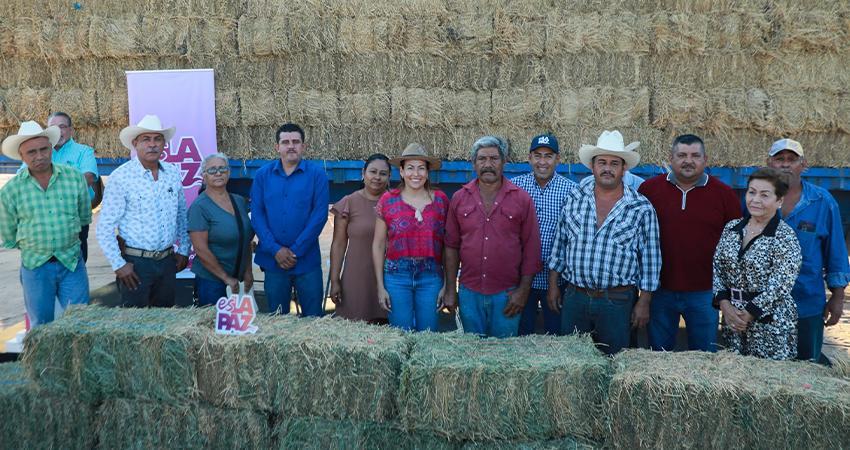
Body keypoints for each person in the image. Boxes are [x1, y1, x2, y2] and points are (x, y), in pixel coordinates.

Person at [547, 130, 661, 354]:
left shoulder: (641, 207)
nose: (607, 168)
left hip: (617, 302)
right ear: (592, 166)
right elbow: (560, 245)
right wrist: (553, 286)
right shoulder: (575, 198)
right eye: (602, 162)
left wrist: (644, 302)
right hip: (575, 298)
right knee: (573, 363)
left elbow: (651, 260)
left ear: (623, 168)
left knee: (614, 363)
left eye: (614, 163)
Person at [639, 134, 742, 352]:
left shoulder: (725, 195)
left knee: (704, 357)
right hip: (660, 291)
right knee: (659, 356)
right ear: (671, 158)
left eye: (695, 155)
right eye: (682, 155)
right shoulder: (649, 190)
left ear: (705, 160)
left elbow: (733, 246)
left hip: (705, 294)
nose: (688, 161)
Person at [444, 136, 542, 338]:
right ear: (473, 163)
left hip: (507, 295)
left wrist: (523, 292)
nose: (488, 164)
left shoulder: (521, 199)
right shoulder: (459, 198)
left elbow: (532, 249)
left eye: (494, 158)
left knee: (504, 359)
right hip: (469, 294)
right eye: (482, 159)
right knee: (473, 357)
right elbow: (451, 247)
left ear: (504, 162)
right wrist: (450, 290)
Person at [766, 139, 850, 362]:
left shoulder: (822, 201)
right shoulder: (756, 200)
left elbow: (836, 254)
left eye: (792, 160)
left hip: (807, 303)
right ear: (769, 163)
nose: (785, 165)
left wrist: (837, 298)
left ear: (803, 165)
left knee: (807, 370)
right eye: (779, 159)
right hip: (763, 305)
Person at [0, 121, 91, 326]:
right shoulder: (11, 191)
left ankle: (77, 360)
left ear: (51, 148)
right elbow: (8, 234)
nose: (39, 156)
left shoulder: (74, 179)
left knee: (81, 322)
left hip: (71, 263)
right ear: (21, 156)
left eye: (43, 149)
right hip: (35, 267)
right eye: (31, 152)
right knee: (41, 324)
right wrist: (36, 246)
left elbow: (85, 216)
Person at [96, 115, 190, 308]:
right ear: (135, 144)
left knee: (164, 321)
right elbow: (105, 226)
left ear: (164, 144)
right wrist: (119, 264)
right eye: (146, 139)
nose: (152, 145)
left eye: (157, 139)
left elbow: (181, 215)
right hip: (135, 265)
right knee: (134, 326)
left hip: (167, 261)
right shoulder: (121, 177)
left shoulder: (172, 173)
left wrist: (183, 249)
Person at [712, 168, 801, 360]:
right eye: (752, 192)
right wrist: (725, 306)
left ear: (779, 201)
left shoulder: (784, 236)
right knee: (735, 378)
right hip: (733, 320)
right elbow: (717, 269)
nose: (756, 200)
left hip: (770, 323)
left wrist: (750, 313)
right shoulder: (731, 228)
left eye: (765, 195)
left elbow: (781, 282)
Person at [251, 123, 329, 316]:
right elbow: (257, 215)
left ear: (304, 146)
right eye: (285, 142)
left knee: (313, 319)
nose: (291, 146)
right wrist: (275, 249)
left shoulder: (317, 175)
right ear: (277, 147)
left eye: (296, 141)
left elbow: (319, 216)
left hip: (307, 261)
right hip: (273, 261)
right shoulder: (262, 175)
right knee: (277, 319)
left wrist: (295, 250)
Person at [372, 144, 448, 331]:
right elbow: (378, 244)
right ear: (401, 171)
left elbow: (448, 245)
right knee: (400, 335)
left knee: (428, 337)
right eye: (410, 168)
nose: (416, 173)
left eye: (421, 168)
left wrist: (446, 284)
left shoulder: (440, 200)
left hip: (431, 276)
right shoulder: (388, 200)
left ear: (428, 173)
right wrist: (380, 287)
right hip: (397, 276)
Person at [510, 133, 575, 335]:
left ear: (558, 159)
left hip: (556, 281)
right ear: (529, 158)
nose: (543, 162)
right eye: (537, 155)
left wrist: (555, 283)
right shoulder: (515, 187)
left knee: (556, 336)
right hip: (522, 280)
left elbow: (571, 237)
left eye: (548, 156)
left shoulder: (571, 190)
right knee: (522, 335)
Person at [18, 112, 99, 262]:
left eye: (62, 127)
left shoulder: (84, 152)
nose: (58, 131)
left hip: (75, 220)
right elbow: (22, 177)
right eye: (53, 127)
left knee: (75, 266)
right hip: (42, 222)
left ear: (71, 130)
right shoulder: (40, 151)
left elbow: (87, 178)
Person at [329, 153, 391, 323]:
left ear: (389, 177)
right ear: (363, 173)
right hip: (356, 278)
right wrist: (335, 280)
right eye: (373, 172)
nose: (377, 177)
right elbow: (339, 244)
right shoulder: (348, 203)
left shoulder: (396, 203)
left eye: (383, 173)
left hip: (390, 280)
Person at [188, 153, 254, 306]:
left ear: (229, 173)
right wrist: (225, 278)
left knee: (238, 327)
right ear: (204, 176)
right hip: (212, 282)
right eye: (212, 170)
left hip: (237, 280)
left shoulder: (238, 201)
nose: (218, 173)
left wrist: (248, 271)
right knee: (213, 327)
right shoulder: (200, 206)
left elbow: (246, 239)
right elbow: (201, 249)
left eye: (222, 169)